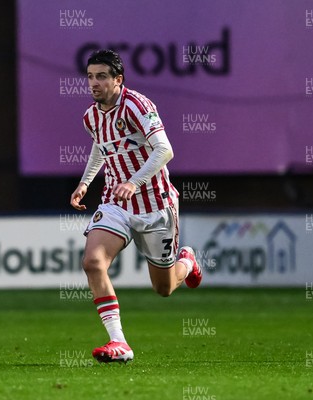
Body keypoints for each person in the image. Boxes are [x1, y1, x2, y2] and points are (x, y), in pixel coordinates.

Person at [70, 49, 202, 363]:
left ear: (118, 79)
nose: (94, 83)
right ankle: (119, 342)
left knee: (164, 288)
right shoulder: (91, 116)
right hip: (117, 204)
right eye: (90, 76)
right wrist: (86, 181)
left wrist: (135, 182)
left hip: (156, 205)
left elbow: (164, 150)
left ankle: (188, 261)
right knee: (92, 261)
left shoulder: (137, 105)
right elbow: (101, 148)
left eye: (102, 76)